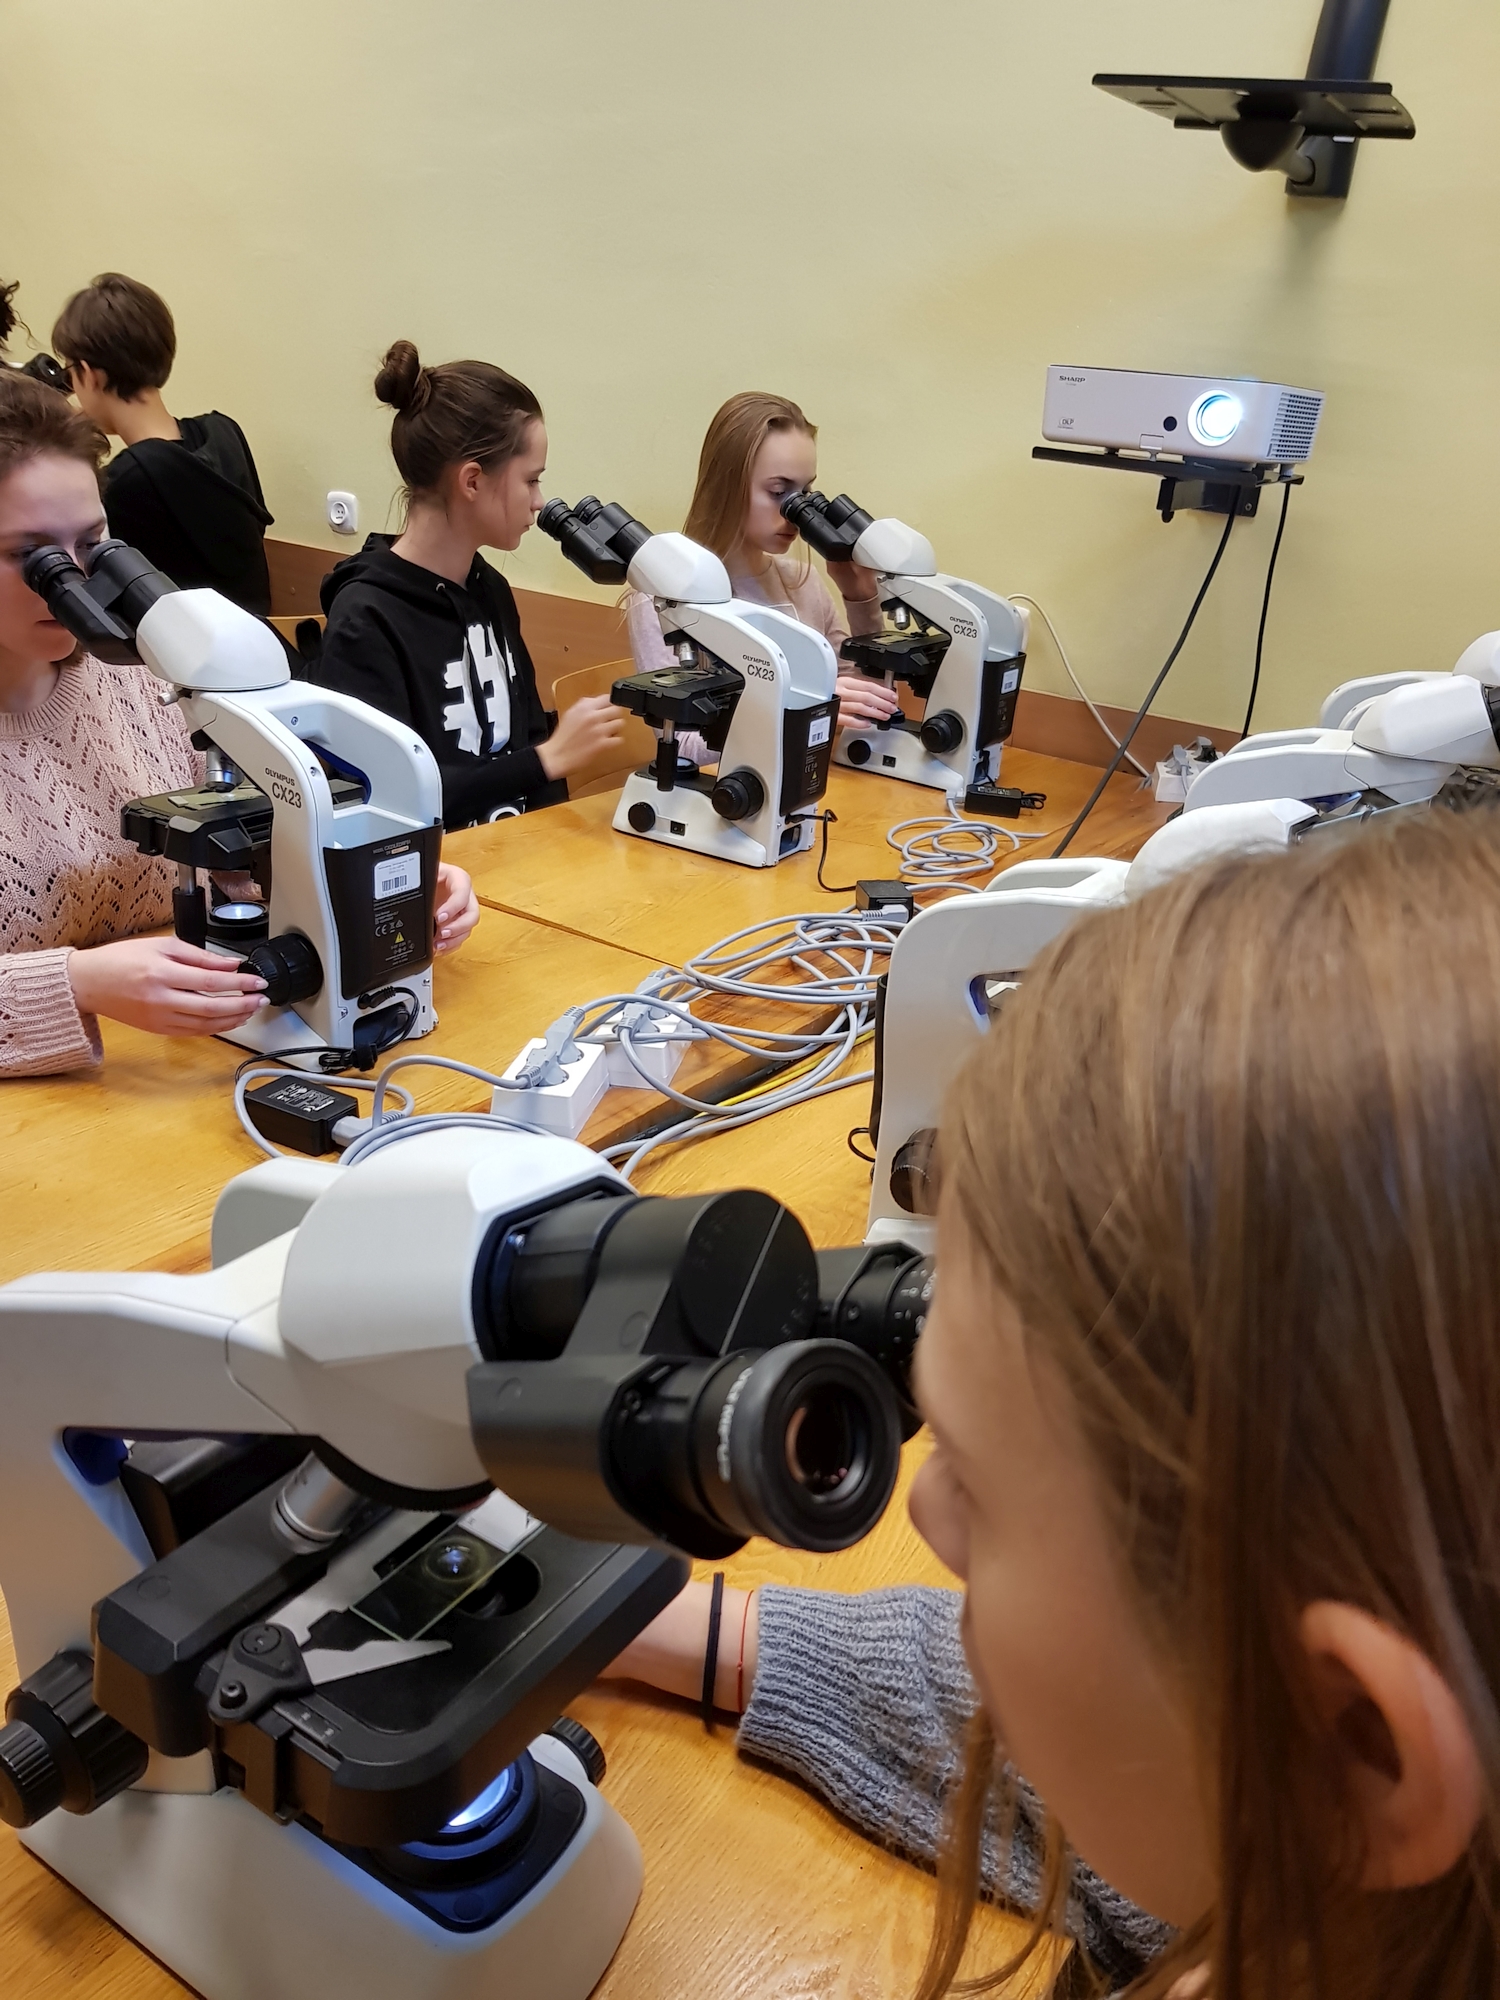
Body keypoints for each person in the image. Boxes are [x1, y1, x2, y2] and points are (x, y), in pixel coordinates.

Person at [604, 809, 1500, 1999]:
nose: (926, 1511)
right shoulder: (1329, 1861)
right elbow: (1063, 1706)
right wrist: (649, 1626)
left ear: (1359, 1744)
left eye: (977, 1482)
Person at [0, 372, 479, 1079]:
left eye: (94, 543)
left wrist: (380, 878)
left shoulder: (148, 679)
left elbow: (239, 871)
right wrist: (76, 984)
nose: (76, 578)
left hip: (180, 1067)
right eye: (29, 554)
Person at [310, 342, 625, 831]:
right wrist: (545, 760)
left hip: (517, 849)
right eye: (531, 480)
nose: (539, 501)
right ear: (472, 481)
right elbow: (389, 798)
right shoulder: (366, 618)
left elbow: (529, 738)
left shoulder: (489, 587)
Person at [624, 392, 902, 760]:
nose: (796, 512)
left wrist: (861, 598)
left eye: (805, 492)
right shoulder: (661, 599)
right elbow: (686, 747)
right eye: (779, 492)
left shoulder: (802, 581)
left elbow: (867, 703)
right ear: (727, 486)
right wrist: (806, 710)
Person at [51, 272, 276, 616]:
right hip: (261, 635)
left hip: (173, 648)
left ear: (90, 374)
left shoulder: (127, 480)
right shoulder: (223, 433)